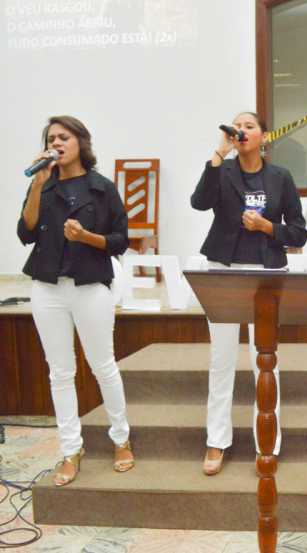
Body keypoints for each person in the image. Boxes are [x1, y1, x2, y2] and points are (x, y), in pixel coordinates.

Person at [17, 115, 134, 486]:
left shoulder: (102, 188)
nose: (56, 143)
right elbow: (26, 232)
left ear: (81, 142)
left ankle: (121, 439)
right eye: (50, 138)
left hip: (90, 285)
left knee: (103, 366)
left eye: (63, 137)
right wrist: (37, 185)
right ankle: (71, 450)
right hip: (47, 287)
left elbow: (120, 241)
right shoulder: (43, 184)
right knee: (60, 372)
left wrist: (86, 238)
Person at [191, 111, 307, 475]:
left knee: (266, 359)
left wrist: (267, 227)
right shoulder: (222, 170)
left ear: (264, 136)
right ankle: (216, 440)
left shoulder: (280, 177)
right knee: (221, 359)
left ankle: (267, 442)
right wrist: (218, 154)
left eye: (249, 126)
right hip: (223, 269)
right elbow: (199, 202)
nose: (240, 130)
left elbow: (299, 232)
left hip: (266, 271)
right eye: (237, 126)